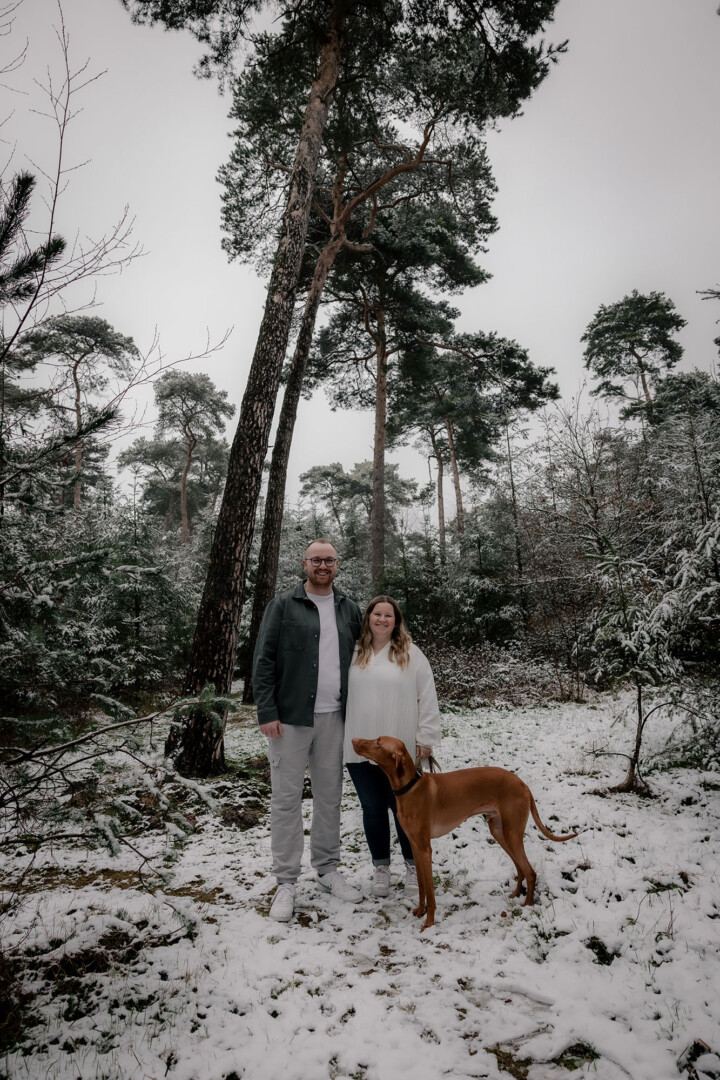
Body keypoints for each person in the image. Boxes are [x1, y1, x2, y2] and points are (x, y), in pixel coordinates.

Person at [253, 538, 364, 922]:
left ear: (337, 564)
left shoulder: (349, 609)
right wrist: (267, 711)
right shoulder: (283, 606)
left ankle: (328, 868)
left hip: (336, 718)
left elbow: (366, 658)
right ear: (304, 563)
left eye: (329, 560)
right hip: (289, 720)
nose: (322, 566)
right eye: (316, 560)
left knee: (329, 797)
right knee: (286, 801)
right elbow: (263, 660)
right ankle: (286, 881)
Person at [343, 595, 441, 900]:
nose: (382, 619)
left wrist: (425, 737)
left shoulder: (411, 653)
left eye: (388, 615)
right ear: (368, 618)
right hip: (360, 743)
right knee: (372, 808)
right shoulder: (354, 652)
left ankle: (412, 865)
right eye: (377, 614)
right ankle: (381, 868)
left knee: (404, 809)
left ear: (396, 621)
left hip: (399, 747)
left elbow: (427, 695)